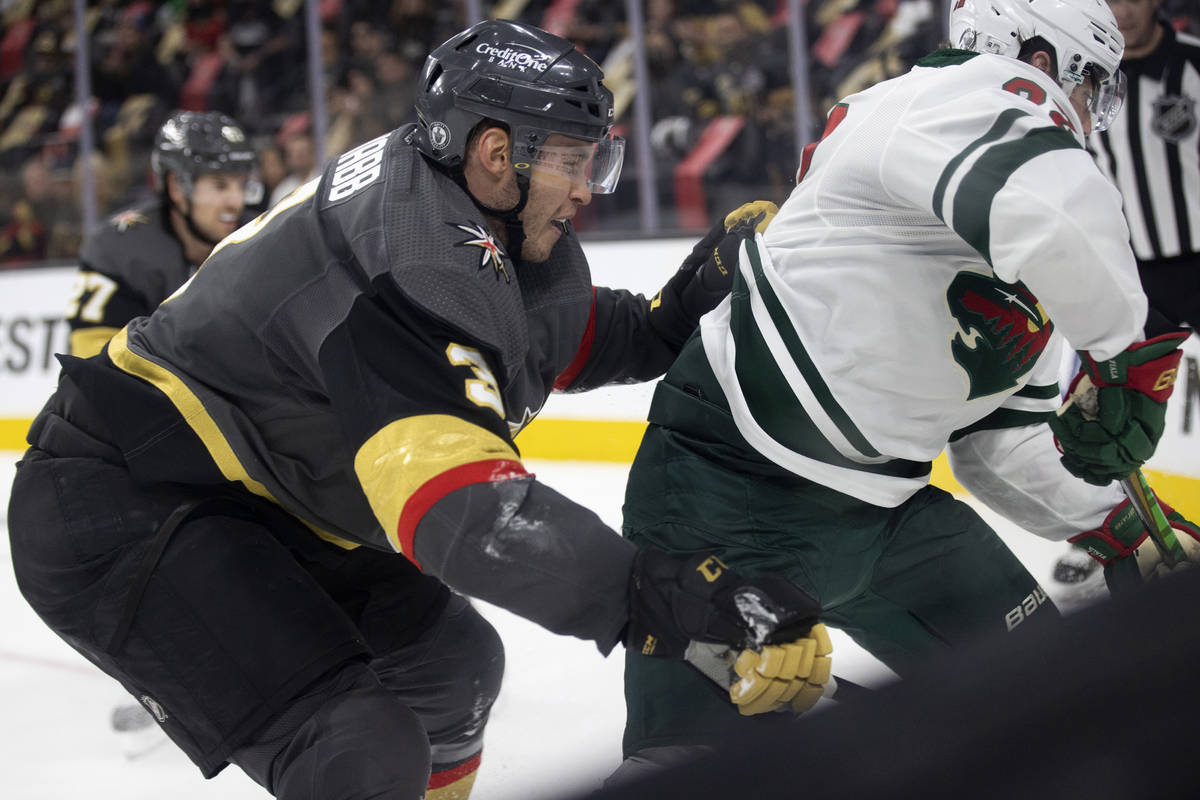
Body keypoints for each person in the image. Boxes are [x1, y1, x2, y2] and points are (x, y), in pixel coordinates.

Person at [7, 20, 826, 800]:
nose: (587, 188)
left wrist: (684, 302)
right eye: (576, 161)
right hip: (127, 502)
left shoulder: (471, 213)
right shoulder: (413, 257)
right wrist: (670, 596)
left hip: (261, 493)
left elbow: (570, 338)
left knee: (454, 671)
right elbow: (466, 519)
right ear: (498, 153)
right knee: (357, 746)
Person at [614, 0, 1200, 772]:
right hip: (726, 495)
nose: (1093, 110)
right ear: (1040, 57)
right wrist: (1126, 348)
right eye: (1090, 81)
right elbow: (1051, 198)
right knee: (684, 770)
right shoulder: (937, 102)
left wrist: (1117, 523)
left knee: (1050, 710)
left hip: (889, 518)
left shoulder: (1011, 219)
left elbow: (1002, 442)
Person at [1052, 0, 1200, 594]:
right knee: (1108, 416)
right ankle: (1121, 533)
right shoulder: (1082, 79)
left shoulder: (1192, 68)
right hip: (1131, 275)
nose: (1124, 9)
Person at [65, 110, 256, 358]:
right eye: (220, 185)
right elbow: (92, 365)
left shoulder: (261, 237)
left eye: (241, 185)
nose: (236, 202)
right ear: (177, 186)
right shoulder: (119, 249)